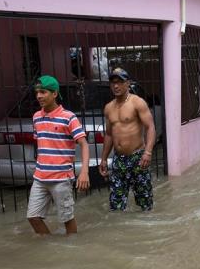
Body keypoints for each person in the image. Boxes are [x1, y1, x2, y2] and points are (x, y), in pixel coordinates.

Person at [27, 75, 90, 235]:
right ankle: (50, 246)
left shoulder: (68, 117)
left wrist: (84, 172)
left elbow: (84, 144)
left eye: (43, 92)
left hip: (61, 178)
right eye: (37, 92)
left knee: (67, 219)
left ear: (54, 94)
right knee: (33, 217)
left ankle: (72, 250)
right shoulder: (36, 117)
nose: (39, 96)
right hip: (40, 178)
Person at [99, 68, 156, 211]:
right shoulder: (108, 108)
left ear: (128, 83)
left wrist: (147, 152)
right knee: (116, 203)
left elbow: (150, 127)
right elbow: (109, 134)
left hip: (138, 157)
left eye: (120, 82)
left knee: (145, 202)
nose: (116, 86)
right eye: (113, 83)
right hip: (119, 160)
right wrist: (104, 159)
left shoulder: (137, 103)